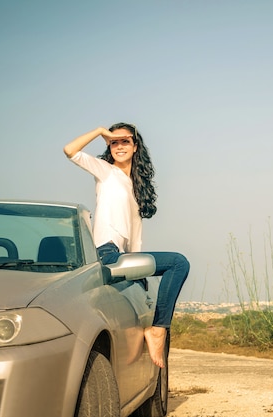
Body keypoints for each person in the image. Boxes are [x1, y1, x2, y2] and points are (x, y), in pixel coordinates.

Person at [63, 122, 190, 368]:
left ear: (135, 146)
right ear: (108, 146)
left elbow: (134, 239)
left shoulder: (135, 187)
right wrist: (101, 131)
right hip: (106, 253)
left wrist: (140, 274)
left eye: (125, 141)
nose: (119, 146)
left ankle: (151, 332)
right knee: (178, 263)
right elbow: (70, 150)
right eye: (114, 142)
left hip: (123, 257)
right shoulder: (105, 171)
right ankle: (158, 329)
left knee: (151, 287)